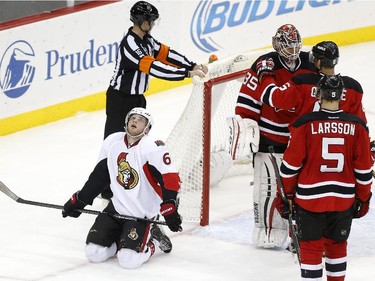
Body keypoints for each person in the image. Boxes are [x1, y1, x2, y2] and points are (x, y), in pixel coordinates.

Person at [100, 0, 207, 199]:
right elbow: (155, 67)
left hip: (138, 100)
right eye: (149, 20)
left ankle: (129, 180)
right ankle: (106, 188)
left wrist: (193, 65)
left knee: (138, 141)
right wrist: (186, 73)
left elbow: (168, 54)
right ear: (140, 20)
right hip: (120, 100)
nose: (152, 24)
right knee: (114, 142)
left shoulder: (147, 41)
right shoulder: (130, 44)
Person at [274, 74, 372, 281]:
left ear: (319, 94)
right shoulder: (357, 126)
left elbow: (289, 168)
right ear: (341, 96)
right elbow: (364, 171)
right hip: (343, 200)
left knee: (310, 248)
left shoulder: (304, 124)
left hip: (309, 200)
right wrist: (364, 198)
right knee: (337, 248)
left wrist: (285, 196)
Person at [228, 24, 316, 248]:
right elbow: (248, 100)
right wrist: (247, 127)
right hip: (271, 140)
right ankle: (268, 229)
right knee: (267, 187)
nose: (292, 50)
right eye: (287, 45)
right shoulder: (265, 64)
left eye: (295, 45)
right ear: (277, 44)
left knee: (302, 187)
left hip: (303, 139)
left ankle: (301, 228)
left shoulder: (310, 62)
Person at [62, 107, 183, 269]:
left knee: (129, 260)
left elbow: (170, 178)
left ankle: (153, 237)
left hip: (142, 213)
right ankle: (124, 238)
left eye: (141, 120)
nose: (135, 121)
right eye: (133, 117)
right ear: (126, 121)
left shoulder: (153, 147)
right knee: (93, 253)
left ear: (147, 128)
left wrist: (169, 205)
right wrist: (80, 200)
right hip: (116, 209)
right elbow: (100, 175)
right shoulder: (113, 142)